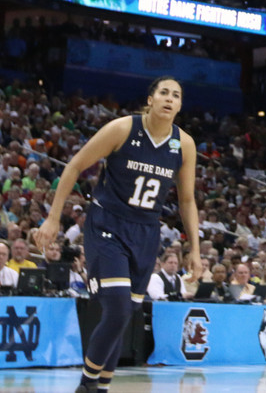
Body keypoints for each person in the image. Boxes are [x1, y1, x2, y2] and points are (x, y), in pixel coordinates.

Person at [35, 76, 199, 393]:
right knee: (119, 308)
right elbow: (74, 166)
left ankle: (101, 387)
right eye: (163, 92)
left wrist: (195, 249)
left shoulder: (184, 144)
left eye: (176, 95)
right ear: (150, 99)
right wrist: (53, 218)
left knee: (124, 315)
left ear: (179, 105)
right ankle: (86, 385)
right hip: (107, 224)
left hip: (147, 232)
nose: (169, 98)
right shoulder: (123, 129)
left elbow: (188, 200)